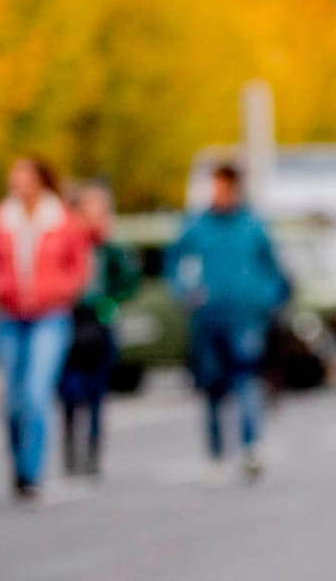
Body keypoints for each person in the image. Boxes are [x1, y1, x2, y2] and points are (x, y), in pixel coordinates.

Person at [167, 163, 290, 480]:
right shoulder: (198, 225)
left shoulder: (252, 226)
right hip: (209, 316)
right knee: (212, 384)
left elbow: (274, 268)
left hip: (245, 317)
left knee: (246, 378)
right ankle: (217, 449)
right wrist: (186, 292)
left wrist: (266, 299)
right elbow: (175, 260)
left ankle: (251, 445)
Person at [0, 156, 90, 501]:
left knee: (36, 392)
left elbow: (79, 264)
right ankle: (18, 466)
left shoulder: (61, 219)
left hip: (49, 315)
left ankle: (33, 473)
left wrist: (62, 291)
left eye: (24, 176)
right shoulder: (2, 218)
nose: (18, 183)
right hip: (10, 315)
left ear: (40, 180)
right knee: (13, 400)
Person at [58, 183, 139, 478]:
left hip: (100, 320)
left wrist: (110, 301)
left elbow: (129, 280)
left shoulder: (111, 247)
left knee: (96, 390)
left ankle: (92, 452)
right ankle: (69, 446)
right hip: (71, 318)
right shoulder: (68, 242)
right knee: (70, 388)